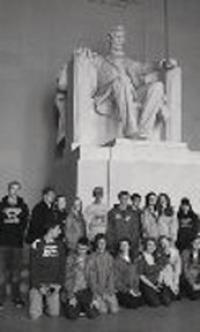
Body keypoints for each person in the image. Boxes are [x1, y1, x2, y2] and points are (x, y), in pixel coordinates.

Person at [94, 25, 169, 139]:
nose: (120, 41)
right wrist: (82, 54)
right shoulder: (99, 60)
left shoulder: (127, 62)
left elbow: (144, 67)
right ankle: (130, 129)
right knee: (122, 80)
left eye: (122, 38)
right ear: (110, 38)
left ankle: (144, 130)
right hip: (110, 93)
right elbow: (85, 61)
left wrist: (161, 64)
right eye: (117, 37)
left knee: (157, 86)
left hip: (130, 93)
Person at [0, 181, 29, 309]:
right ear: (8, 190)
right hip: (2, 243)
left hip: (17, 244)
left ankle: (16, 297)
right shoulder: (1, 205)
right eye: (12, 188)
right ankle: (0, 298)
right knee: (1, 273)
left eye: (17, 189)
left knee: (16, 272)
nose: (15, 191)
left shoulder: (23, 206)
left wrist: (18, 232)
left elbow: (24, 223)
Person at [29, 222, 65, 319]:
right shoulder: (37, 244)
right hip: (39, 284)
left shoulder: (60, 245)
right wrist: (38, 286)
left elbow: (62, 267)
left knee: (54, 314)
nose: (60, 231)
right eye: (58, 229)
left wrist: (59, 284)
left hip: (53, 283)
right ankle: (39, 302)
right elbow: (33, 268)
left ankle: (46, 305)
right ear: (51, 229)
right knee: (34, 315)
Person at [63, 237, 99, 320]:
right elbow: (67, 279)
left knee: (94, 314)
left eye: (83, 249)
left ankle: (82, 306)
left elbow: (93, 280)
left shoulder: (91, 260)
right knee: (72, 315)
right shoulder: (70, 258)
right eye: (79, 248)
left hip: (85, 291)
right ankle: (79, 306)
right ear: (76, 247)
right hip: (73, 290)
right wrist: (71, 296)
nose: (80, 251)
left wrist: (94, 297)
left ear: (87, 249)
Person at [88, 234, 119, 314]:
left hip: (108, 289)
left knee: (115, 310)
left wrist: (110, 289)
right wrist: (97, 291)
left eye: (103, 243)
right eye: (99, 243)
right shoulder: (92, 257)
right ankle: (95, 301)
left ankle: (106, 300)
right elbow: (91, 278)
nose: (101, 245)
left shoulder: (109, 257)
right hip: (97, 290)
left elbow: (112, 275)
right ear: (96, 244)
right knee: (103, 311)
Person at [138, 238, 173, 307]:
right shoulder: (141, 258)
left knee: (167, 302)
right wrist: (153, 286)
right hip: (147, 282)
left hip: (158, 280)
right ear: (145, 246)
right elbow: (141, 276)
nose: (152, 247)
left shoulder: (156, 255)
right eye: (149, 245)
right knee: (155, 304)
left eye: (154, 245)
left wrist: (159, 282)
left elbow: (161, 269)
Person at [107, 191, 141, 260]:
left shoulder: (133, 213)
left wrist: (133, 244)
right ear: (119, 199)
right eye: (122, 198)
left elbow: (135, 230)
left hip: (129, 245)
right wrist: (111, 244)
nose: (124, 201)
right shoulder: (112, 212)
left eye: (126, 198)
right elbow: (110, 229)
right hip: (116, 244)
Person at [114, 238, 142, 309]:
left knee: (141, 301)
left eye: (126, 245)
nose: (124, 247)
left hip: (134, 288)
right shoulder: (117, 261)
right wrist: (128, 290)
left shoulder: (134, 259)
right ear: (120, 247)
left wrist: (136, 289)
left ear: (129, 246)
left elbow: (137, 275)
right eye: (122, 245)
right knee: (133, 304)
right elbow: (117, 281)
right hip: (124, 289)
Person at [181, 234, 200, 300]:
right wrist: (193, 283)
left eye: (199, 243)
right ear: (191, 243)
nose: (197, 244)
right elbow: (185, 270)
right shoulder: (185, 252)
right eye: (195, 242)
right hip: (189, 277)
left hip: (198, 276)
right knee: (194, 297)